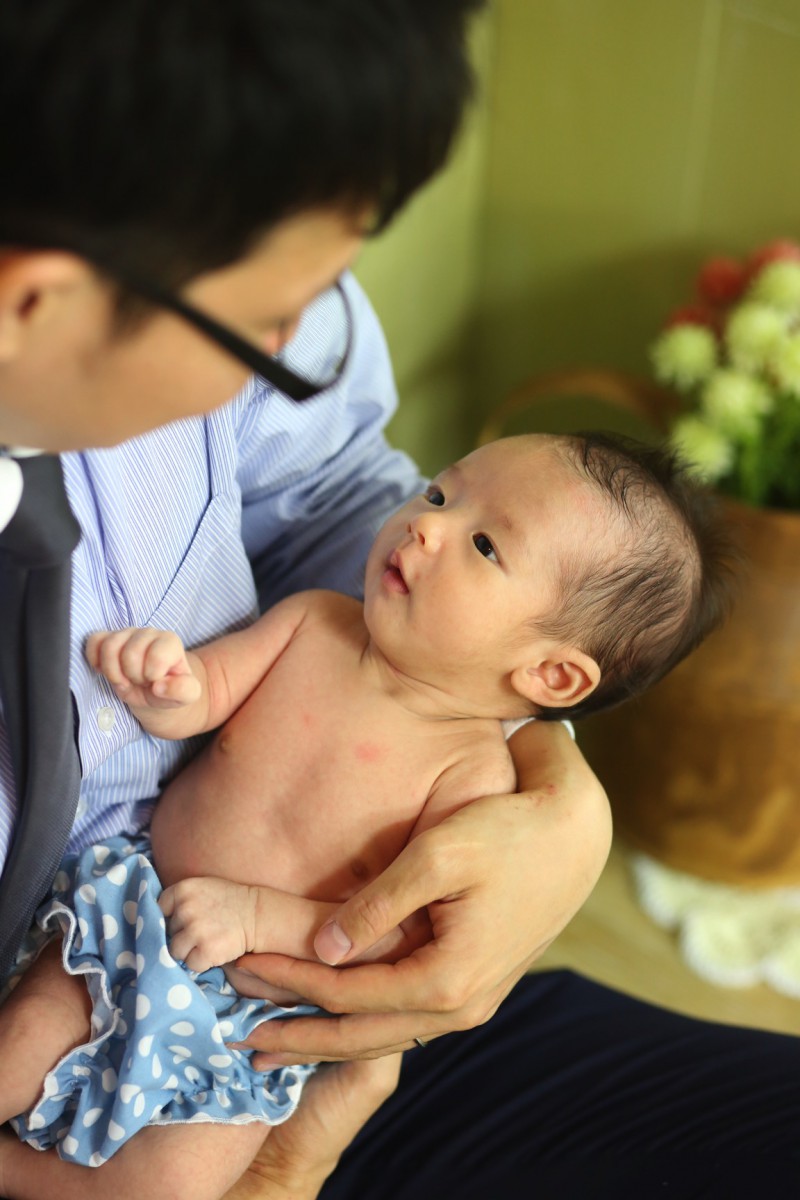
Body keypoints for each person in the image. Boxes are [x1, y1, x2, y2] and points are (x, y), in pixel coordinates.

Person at [0, 4, 798, 1199]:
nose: (300, 342)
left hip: (269, 1016)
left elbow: (326, 485)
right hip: (95, 931)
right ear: (36, 302)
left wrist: (549, 800)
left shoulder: (194, 227)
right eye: (274, 321)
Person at [0, 431, 734, 1197]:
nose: (426, 523)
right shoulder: (315, 622)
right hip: (138, 916)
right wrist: (166, 683)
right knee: (22, 1041)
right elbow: (206, 692)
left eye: (483, 545)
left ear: (550, 672)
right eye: (440, 494)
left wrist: (257, 917)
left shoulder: (472, 774)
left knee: (175, 1184)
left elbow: (402, 935)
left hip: (252, 1019)